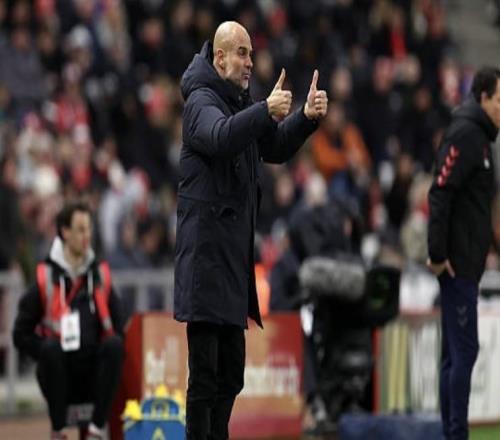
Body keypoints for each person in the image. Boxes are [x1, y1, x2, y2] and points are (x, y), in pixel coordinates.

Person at [174, 21, 328, 440]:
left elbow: (273, 146)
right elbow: (221, 137)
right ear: (220, 57)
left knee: (231, 376)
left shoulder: (236, 103)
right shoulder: (201, 102)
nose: (249, 62)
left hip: (230, 264)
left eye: (251, 54)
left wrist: (305, 118)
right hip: (206, 263)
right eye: (241, 53)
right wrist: (263, 110)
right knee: (205, 379)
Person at [427, 66, 500, 440]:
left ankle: (450, 434)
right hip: (456, 264)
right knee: (465, 352)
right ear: (483, 97)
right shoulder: (466, 134)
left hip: (466, 262)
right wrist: (437, 254)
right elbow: (440, 191)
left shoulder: (480, 137)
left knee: (453, 356)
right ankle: (456, 434)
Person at [13, 201, 125, 440]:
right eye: (81, 229)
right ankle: (59, 431)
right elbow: (20, 334)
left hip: (94, 374)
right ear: (65, 232)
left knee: (115, 345)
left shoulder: (100, 275)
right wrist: (44, 351)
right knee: (50, 350)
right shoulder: (45, 278)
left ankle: (95, 430)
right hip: (58, 375)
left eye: (89, 229)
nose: (87, 236)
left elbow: (119, 326)